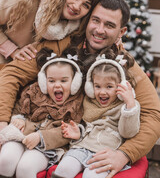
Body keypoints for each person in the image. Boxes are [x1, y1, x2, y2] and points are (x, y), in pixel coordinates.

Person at [0, 0, 159, 178]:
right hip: (40, 129)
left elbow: (153, 114)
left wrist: (124, 154)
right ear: (87, 21)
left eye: (109, 25)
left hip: (82, 142)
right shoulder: (61, 44)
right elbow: (12, 75)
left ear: (121, 32)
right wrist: (2, 123)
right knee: (7, 161)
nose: (99, 30)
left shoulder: (123, 64)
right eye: (95, 21)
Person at [52, 48, 140, 178]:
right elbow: (86, 125)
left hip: (106, 152)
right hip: (82, 147)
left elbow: (128, 132)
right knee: (64, 168)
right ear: (90, 87)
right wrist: (78, 133)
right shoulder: (89, 101)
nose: (102, 92)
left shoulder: (127, 105)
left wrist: (130, 105)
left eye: (109, 86)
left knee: (92, 175)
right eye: (97, 86)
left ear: (120, 85)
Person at [0, 47, 84, 178]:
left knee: (26, 166)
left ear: (74, 83)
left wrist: (41, 137)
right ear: (44, 82)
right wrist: (19, 117)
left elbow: (68, 131)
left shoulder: (76, 103)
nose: (57, 85)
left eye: (63, 81)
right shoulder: (34, 92)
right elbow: (19, 106)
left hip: (46, 147)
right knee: (5, 159)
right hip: (21, 135)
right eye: (51, 81)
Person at [0, 0, 107, 63]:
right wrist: (12, 50)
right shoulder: (27, 2)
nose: (76, 6)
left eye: (86, 5)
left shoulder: (75, 27)